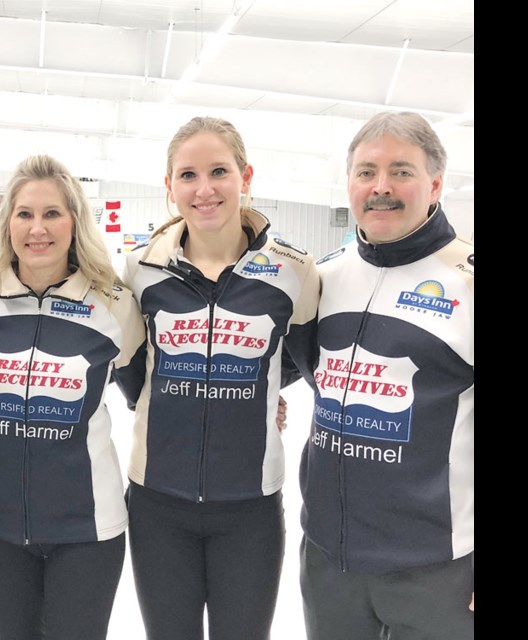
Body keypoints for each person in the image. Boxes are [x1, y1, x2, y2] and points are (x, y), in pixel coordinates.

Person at [119, 116, 319, 640]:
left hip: (249, 509)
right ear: (169, 188)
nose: (204, 190)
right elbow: (130, 367)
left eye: (218, 172)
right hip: (157, 503)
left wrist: (264, 393)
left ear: (245, 176)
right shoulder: (138, 270)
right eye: (187, 175)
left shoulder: (293, 271)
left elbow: (304, 355)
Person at [0, 154, 146, 640]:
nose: (37, 228)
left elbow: (150, 390)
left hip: (87, 528)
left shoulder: (114, 305)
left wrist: (267, 395)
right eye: (24, 214)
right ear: (8, 224)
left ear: (75, 222)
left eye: (52, 213)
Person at [298, 112, 474, 639]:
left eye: (401, 171)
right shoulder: (323, 279)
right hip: (330, 559)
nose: (381, 188)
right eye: (366, 172)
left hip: (436, 567)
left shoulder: (465, 281)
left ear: (435, 183)